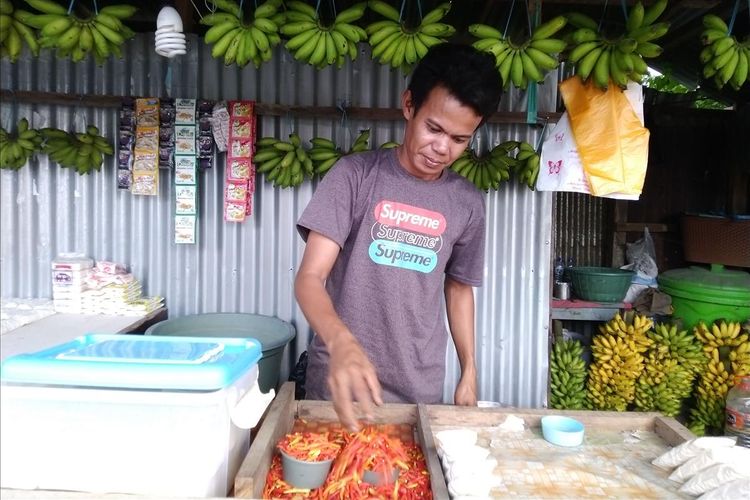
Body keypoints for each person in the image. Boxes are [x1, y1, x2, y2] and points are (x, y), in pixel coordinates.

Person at [294, 43, 503, 432]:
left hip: (418, 390)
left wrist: (469, 369)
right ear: (409, 105)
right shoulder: (354, 177)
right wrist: (341, 343)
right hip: (339, 388)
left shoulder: (467, 202)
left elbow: (459, 289)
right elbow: (309, 279)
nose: (442, 148)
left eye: (459, 139)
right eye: (433, 128)